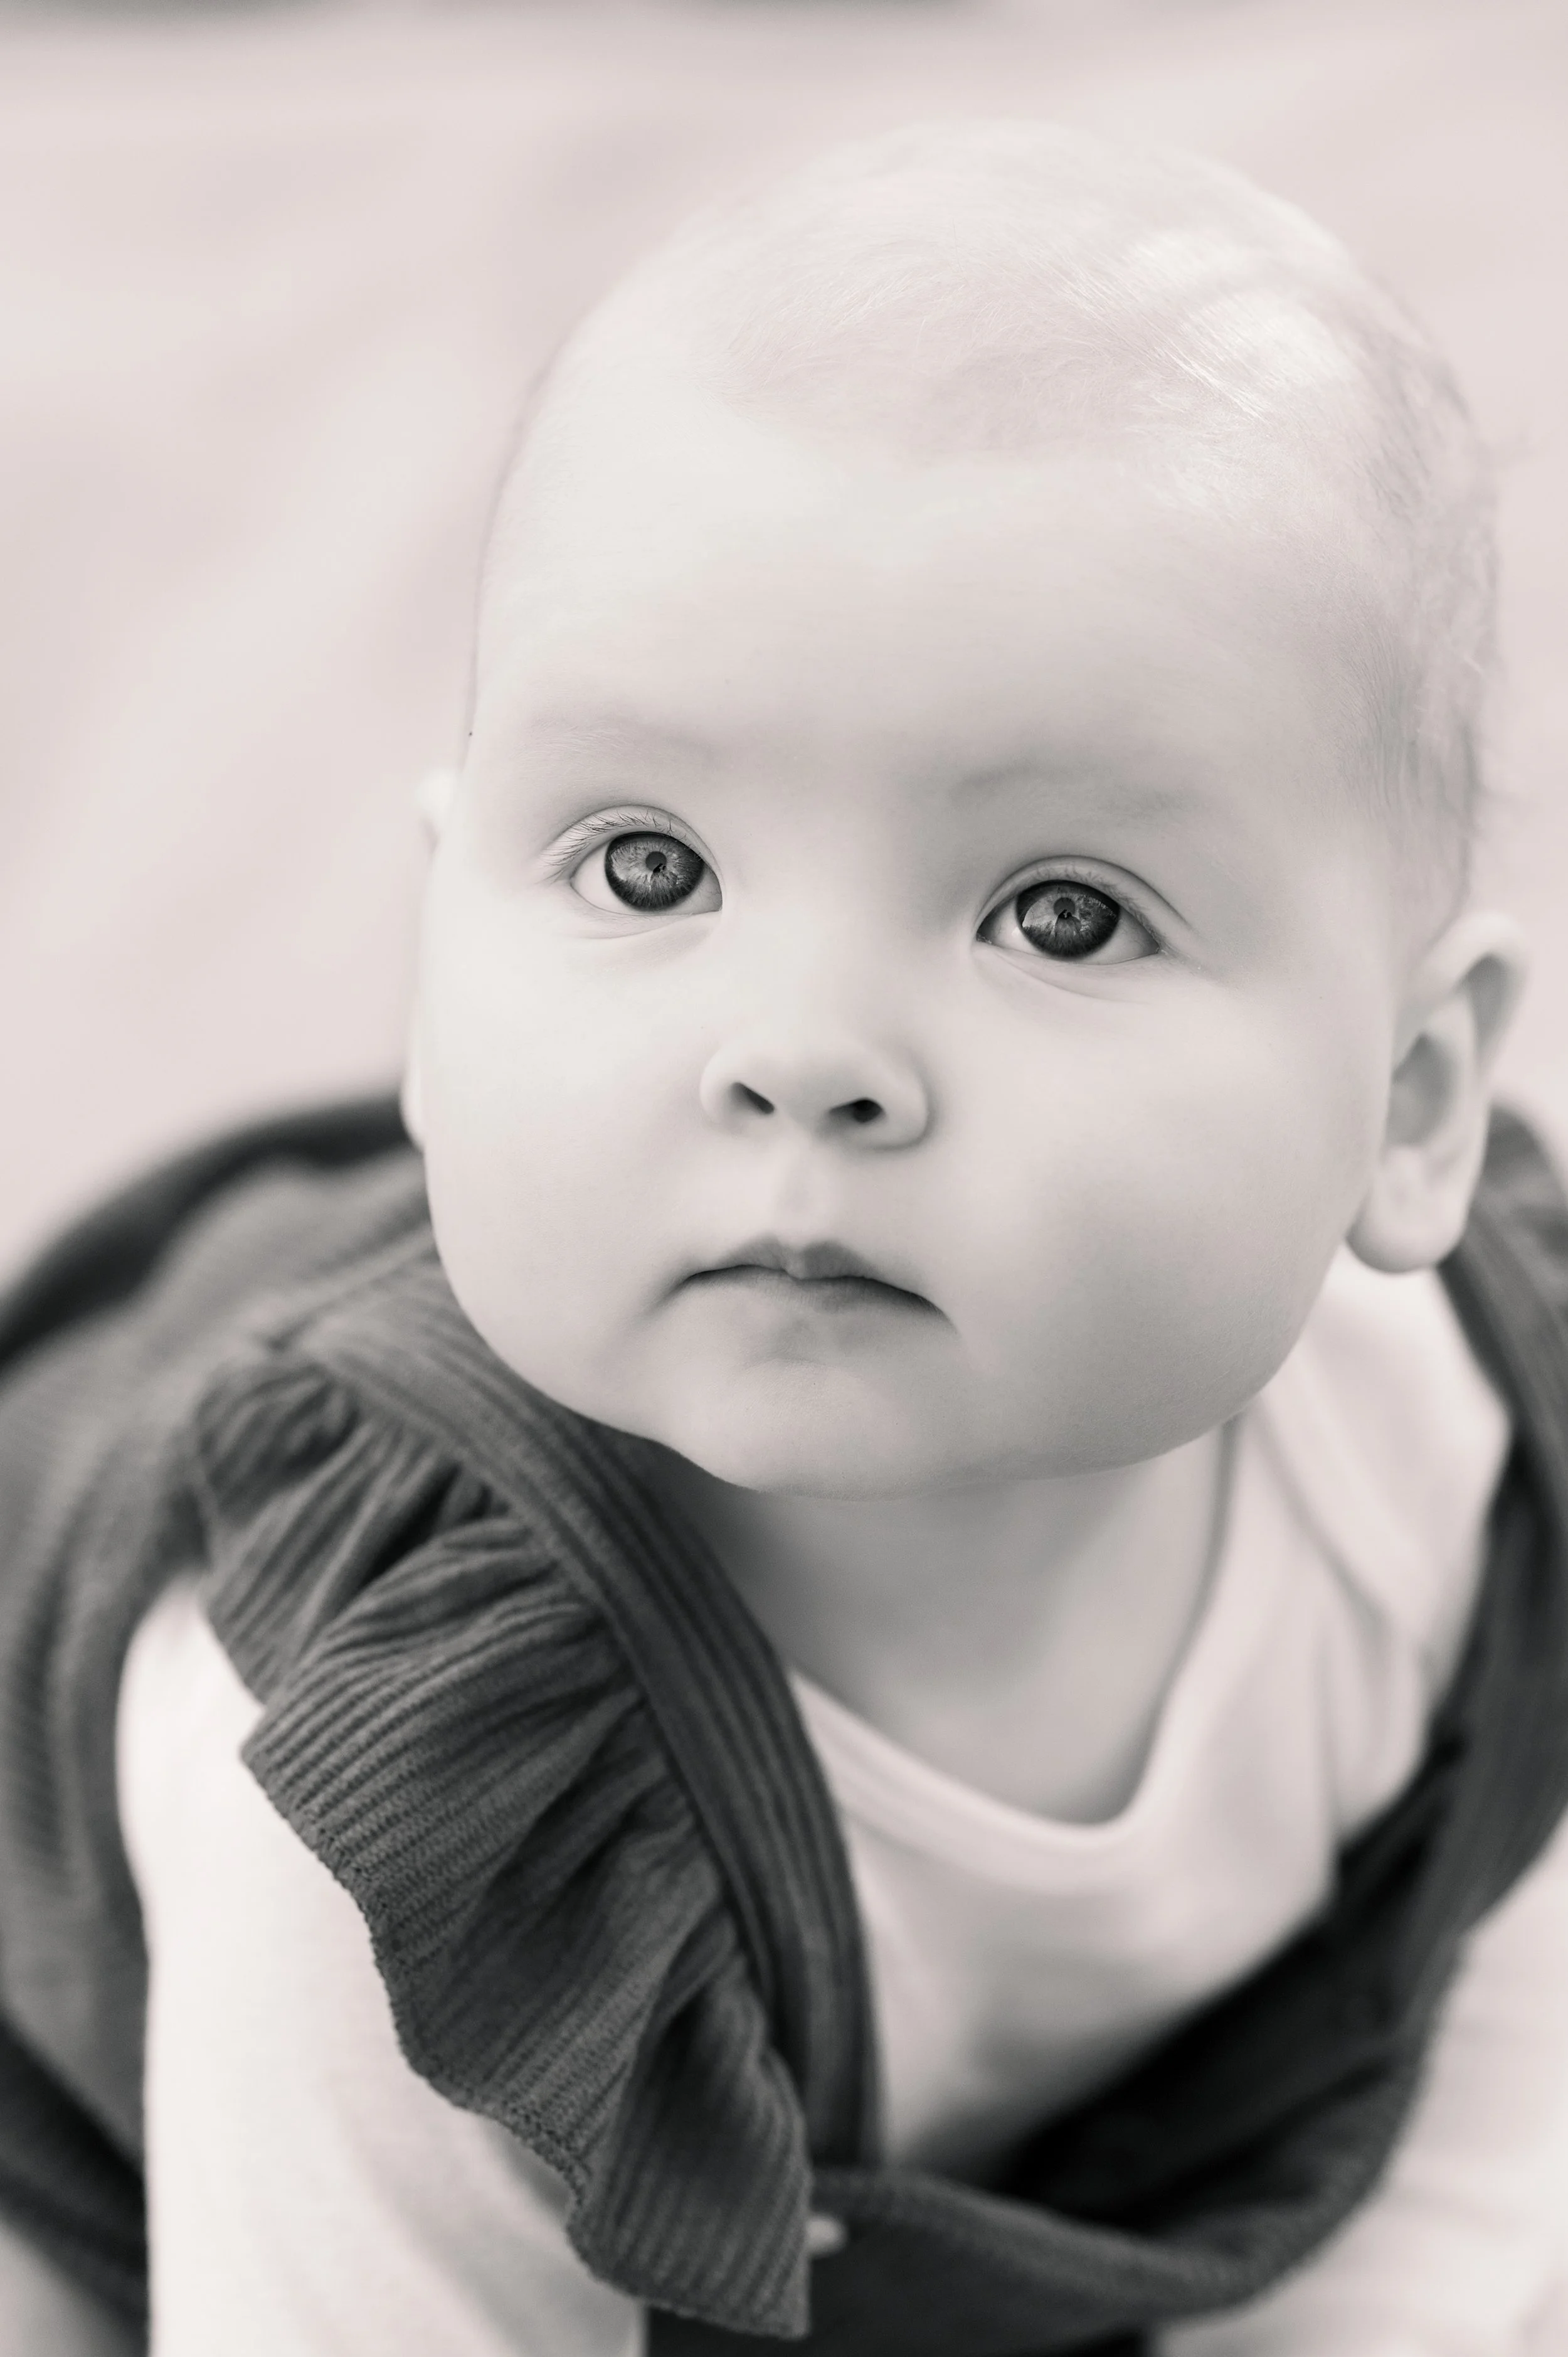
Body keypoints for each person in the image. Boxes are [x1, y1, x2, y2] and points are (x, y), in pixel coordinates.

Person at [3, 117, 1567, 2357]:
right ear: (434, 974)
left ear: (1406, 1102)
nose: (805, 1054)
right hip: (144, 2132)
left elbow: (1481, 2040)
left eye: (1060, 912)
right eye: (647, 868)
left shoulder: (1470, 1454)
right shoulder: (378, 1760)